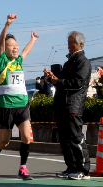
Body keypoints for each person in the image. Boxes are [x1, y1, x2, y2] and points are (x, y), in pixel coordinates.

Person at [0, 14, 39, 183]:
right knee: (4, 141)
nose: (15, 48)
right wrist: (7, 25)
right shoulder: (1, 62)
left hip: (22, 104)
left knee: (26, 137)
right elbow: (1, 43)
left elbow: (26, 51)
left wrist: (33, 40)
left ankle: (23, 167)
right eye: (11, 46)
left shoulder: (19, 61)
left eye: (16, 45)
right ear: (5, 49)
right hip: (6, 106)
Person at [44, 31, 91, 180]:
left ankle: (83, 169)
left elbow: (78, 83)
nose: (69, 46)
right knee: (64, 139)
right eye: (69, 43)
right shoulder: (69, 62)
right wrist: (53, 78)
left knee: (75, 137)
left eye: (72, 43)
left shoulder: (83, 62)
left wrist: (59, 81)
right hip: (62, 104)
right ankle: (71, 167)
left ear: (80, 44)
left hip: (73, 105)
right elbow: (62, 82)